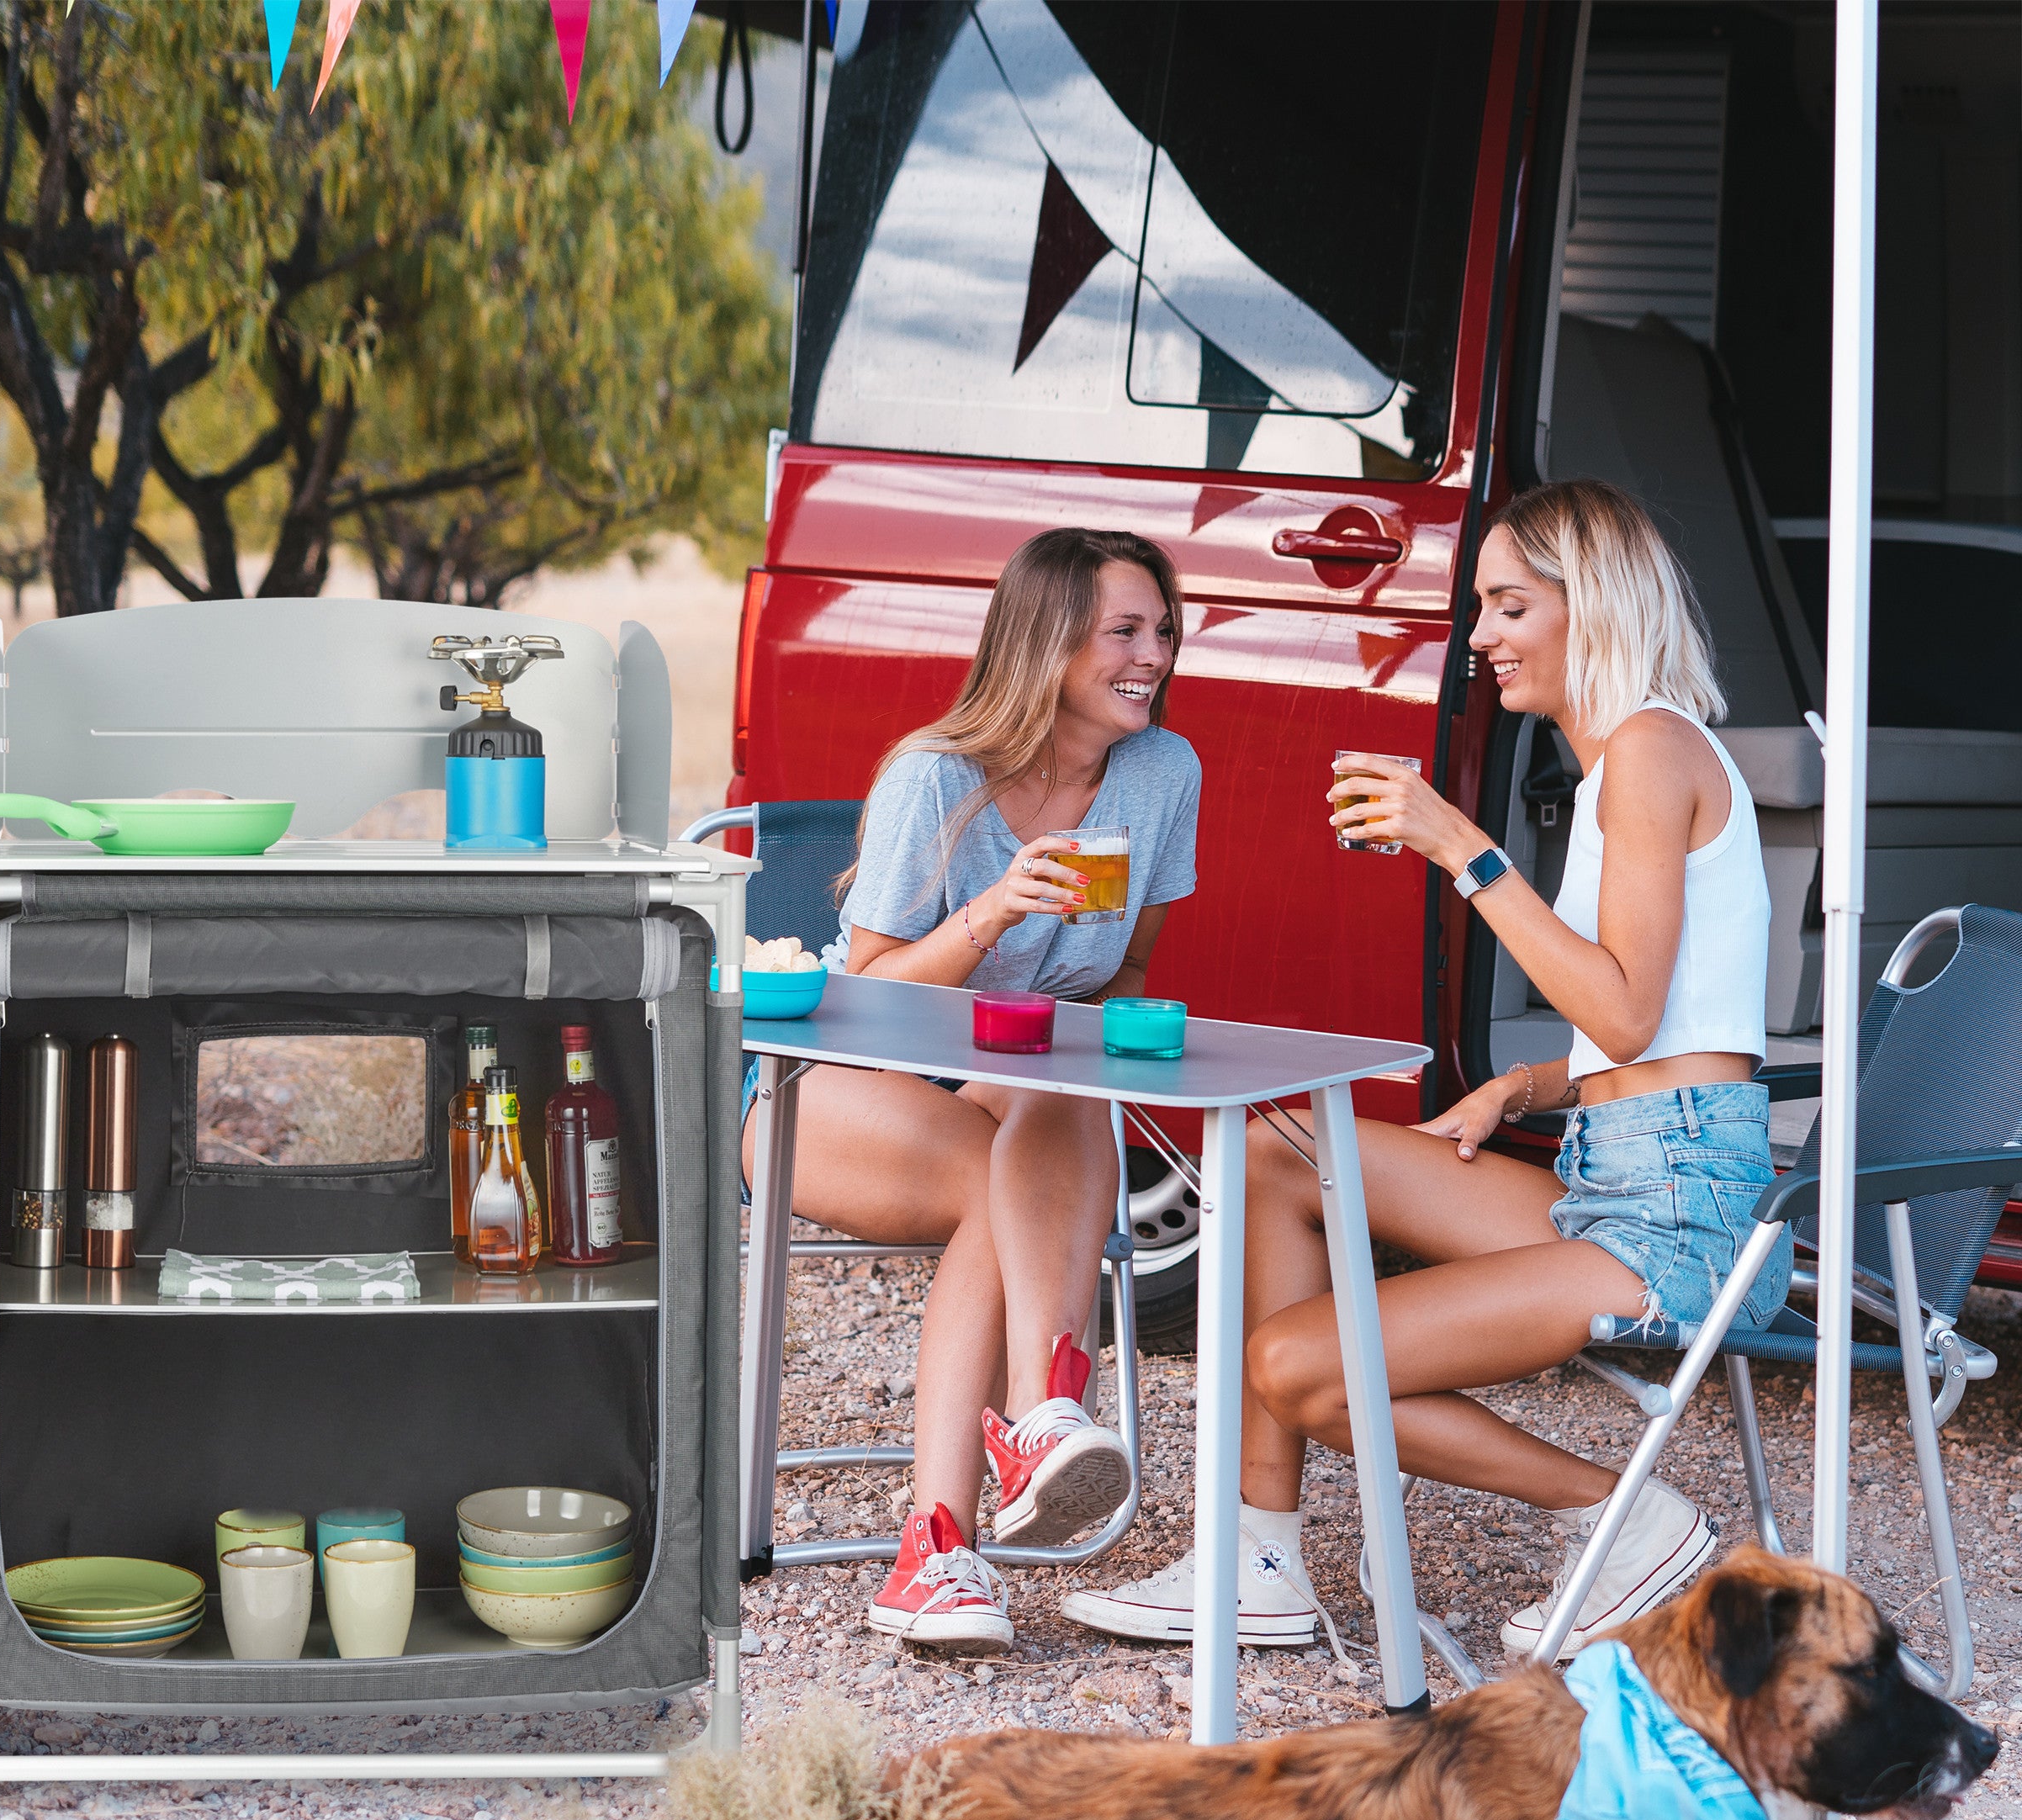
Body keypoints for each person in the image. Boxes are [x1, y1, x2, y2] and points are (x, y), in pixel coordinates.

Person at [1064, 479, 1786, 1659]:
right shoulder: (1622, 764)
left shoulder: (1651, 751)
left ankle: (1618, 1514)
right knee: (1271, 1150)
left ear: (1589, 604)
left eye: (1508, 607)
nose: (1482, 638)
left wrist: (1459, 844)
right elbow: (1671, 1021)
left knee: (1295, 1365)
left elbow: (1626, 1000)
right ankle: (1258, 1561)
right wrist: (1530, 1087)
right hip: (1630, 1168)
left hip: (1682, 1220)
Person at [747, 527, 1200, 1649]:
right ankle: (1030, 1433)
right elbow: (864, 999)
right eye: (1126, 633)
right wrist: (992, 912)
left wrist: (1113, 1025)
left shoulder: (1161, 775)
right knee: (1009, 1186)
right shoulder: (935, 779)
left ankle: (946, 1538)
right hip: (841, 1088)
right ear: (1047, 646)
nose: (1156, 655)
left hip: (1019, 1091)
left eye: (1164, 631)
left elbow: (1128, 972)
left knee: (1061, 1102)